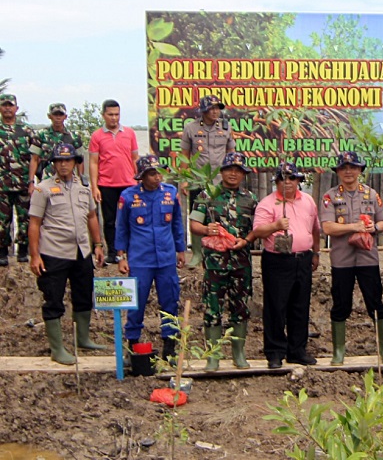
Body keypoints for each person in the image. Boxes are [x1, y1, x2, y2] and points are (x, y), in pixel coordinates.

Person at [28, 143, 106, 365]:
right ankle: (57, 349)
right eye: (59, 161)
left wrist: (98, 244)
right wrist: (35, 256)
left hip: (81, 251)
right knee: (53, 299)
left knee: (83, 295)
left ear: (75, 162)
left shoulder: (84, 188)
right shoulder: (43, 189)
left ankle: (83, 338)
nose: (63, 164)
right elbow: (34, 223)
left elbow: (91, 216)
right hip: (54, 252)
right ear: (53, 164)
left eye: (68, 160)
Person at [320, 151, 383, 366]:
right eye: (344, 168)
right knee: (341, 304)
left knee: (375, 302)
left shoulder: (371, 194)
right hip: (341, 260)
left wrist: (374, 227)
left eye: (353, 167)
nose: (348, 171)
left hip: (368, 258)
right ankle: (339, 352)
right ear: (338, 172)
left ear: (360, 170)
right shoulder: (330, 197)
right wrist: (354, 227)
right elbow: (327, 227)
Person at [248, 162, 320, 369]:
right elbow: (258, 232)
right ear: (276, 181)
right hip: (278, 260)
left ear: (298, 180)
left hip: (303, 258)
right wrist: (276, 226)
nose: (287, 182)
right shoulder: (267, 203)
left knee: (300, 306)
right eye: (282, 178)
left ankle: (297, 350)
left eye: (291, 178)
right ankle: (275, 352)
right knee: (276, 307)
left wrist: (316, 253)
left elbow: (315, 229)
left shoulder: (307, 201)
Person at [114, 155, 186, 364]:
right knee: (136, 303)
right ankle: (133, 346)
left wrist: (180, 250)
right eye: (152, 173)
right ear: (142, 176)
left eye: (159, 172)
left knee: (170, 302)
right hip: (140, 259)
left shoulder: (170, 193)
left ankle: (170, 348)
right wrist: (121, 256)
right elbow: (121, 229)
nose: (157, 177)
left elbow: (177, 225)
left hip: (165, 259)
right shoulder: (128, 197)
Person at [189, 152, 257, 371]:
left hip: (241, 262)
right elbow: (194, 225)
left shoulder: (251, 199)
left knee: (240, 308)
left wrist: (246, 239)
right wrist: (207, 228)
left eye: (238, 170)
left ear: (244, 174)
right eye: (229, 169)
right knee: (212, 309)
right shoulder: (207, 194)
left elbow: (258, 228)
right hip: (214, 264)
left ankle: (239, 354)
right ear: (222, 172)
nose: (233, 174)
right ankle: (213, 356)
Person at [180, 95, 236, 268]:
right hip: (198, 180)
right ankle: (197, 253)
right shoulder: (191, 128)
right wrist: (184, 179)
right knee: (197, 216)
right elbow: (184, 156)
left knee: (222, 215)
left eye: (217, 108)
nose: (215, 111)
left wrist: (232, 177)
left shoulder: (226, 127)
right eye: (211, 108)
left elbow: (231, 154)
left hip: (220, 181)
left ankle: (220, 250)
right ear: (203, 110)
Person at [89, 99, 139, 265]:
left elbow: (135, 158)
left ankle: (130, 251)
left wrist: (138, 181)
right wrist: (94, 186)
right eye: (110, 114)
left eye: (117, 114)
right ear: (103, 115)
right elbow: (94, 162)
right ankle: (112, 252)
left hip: (129, 184)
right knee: (109, 221)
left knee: (131, 219)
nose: (114, 118)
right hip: (107, 184)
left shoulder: (130, 133)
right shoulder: (97, 136)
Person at [0, 93, 35, 265]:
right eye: (4, 105)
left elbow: (36, 158)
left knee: (25, 219)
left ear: (16, 108)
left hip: (22, 184)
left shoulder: (26, 131)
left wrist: (32, 181)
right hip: (1, 185)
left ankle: (22, 251)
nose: (7, 108)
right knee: (2, 221)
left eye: (10, 105)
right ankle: (2, 252)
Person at [29, 103, 85, 194]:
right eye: (55, 114)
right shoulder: (41, 135)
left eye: (61, 115)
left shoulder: (74, 136)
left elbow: (80, 161)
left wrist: (80, 180)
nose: (58, 117)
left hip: (68, 179)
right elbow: (34, 159)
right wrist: (31, 182)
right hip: (46, 178)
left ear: (65, 116)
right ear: (49, 116)